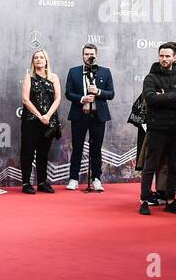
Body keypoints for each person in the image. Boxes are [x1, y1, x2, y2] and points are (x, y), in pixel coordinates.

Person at [138, 43, 176, 215]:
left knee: (174, 168)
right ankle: (144, 201)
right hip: (156, 130)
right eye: (162, 55)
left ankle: (170, 201)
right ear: (158, 56)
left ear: (174, 57)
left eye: (167, 56)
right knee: (150, 166)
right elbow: (151, 99)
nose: (164, 59)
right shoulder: (150, 78)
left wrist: (164, 98)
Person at [63, 43, 114, 191]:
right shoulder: (73, 72)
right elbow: (68, 93)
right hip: (80, 115)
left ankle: (96, 179)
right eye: (86, 54)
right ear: (82, 55)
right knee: (77, 148)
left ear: (96, 55)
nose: (89, 57)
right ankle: (73, 178)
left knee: (96, 149)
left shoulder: (105, 72)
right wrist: (82, 99)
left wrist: (98, 91)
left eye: (91, 54)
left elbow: (111, 94)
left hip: (98, 116)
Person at [18, 49, 61, 194]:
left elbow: (58, 99)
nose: (38, 60)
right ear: (33, 61)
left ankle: (42, 182)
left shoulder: (54, 77)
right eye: (36, 58)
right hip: (31, 121)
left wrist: (47, 116)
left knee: (43, 153)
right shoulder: (29, 77)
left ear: (46, 60)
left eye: (41, 57)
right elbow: (25, 99)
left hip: (48, 122)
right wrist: (40, 116)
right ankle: (26, 183)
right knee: (28, 152)